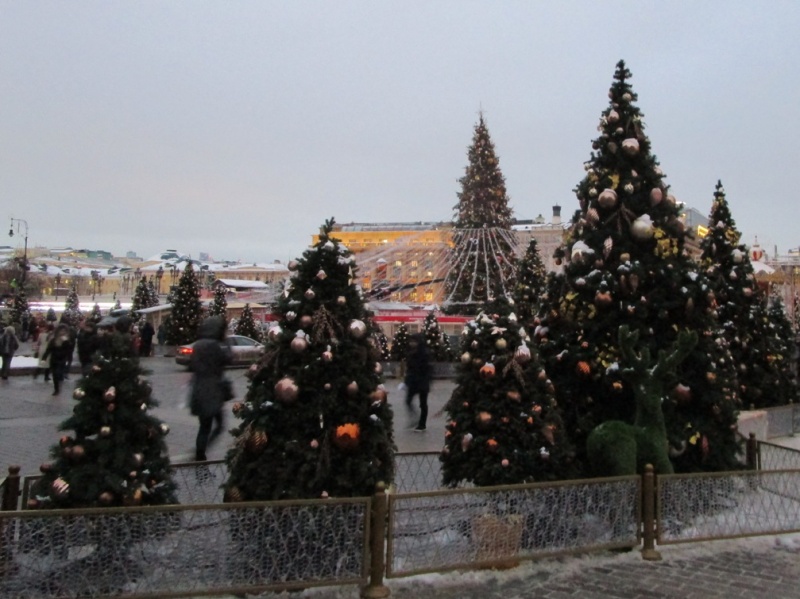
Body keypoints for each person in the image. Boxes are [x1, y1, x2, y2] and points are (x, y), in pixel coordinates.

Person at [189, 316, 233, 461]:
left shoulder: (198, 344)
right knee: (218, 425)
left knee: (204, 426)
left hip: (199, 388)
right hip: (213, 390)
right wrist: (226, 341)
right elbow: (228, 358)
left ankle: (200, 452)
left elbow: (192, 364)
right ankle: (200, 453)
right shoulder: (216, 345)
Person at [404, 333, 432, 432]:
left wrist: (426, 380)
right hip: (413, 382)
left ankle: (422, 424)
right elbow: (409, 369)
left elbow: (427, 369)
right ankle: (415, 418)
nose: (412, 343)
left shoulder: (424, 353)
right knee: (408, 401)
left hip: (422, 382)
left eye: (414, 341)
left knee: (423, 404)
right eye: (411, 341)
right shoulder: (411, 352)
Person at [42, 323, 73, 395]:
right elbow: (49, 349)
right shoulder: (53, 340)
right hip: (54, 359)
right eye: (61, 331)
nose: (62, 332)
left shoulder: (67, 340)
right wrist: (44, 358)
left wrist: (66, 342)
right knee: (55, 375)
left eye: (64, 331)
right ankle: (56, 389)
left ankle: (59, 384)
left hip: (62, 359)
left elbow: (69, 350)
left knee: (59, 373)